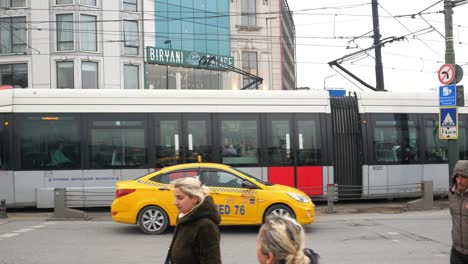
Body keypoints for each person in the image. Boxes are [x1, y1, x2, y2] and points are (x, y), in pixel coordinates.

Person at [166, 177, 221, 264]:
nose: (175, 202)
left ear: (195, 198)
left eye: (180, 198)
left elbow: (211, 261)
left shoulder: (206, 226)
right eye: (175, 197)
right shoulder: (185, 218)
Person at [449, 160, 468, 264]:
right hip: (456, 251)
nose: (459, 180)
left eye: (463, 177)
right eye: (457, 177)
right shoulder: (452, 194)